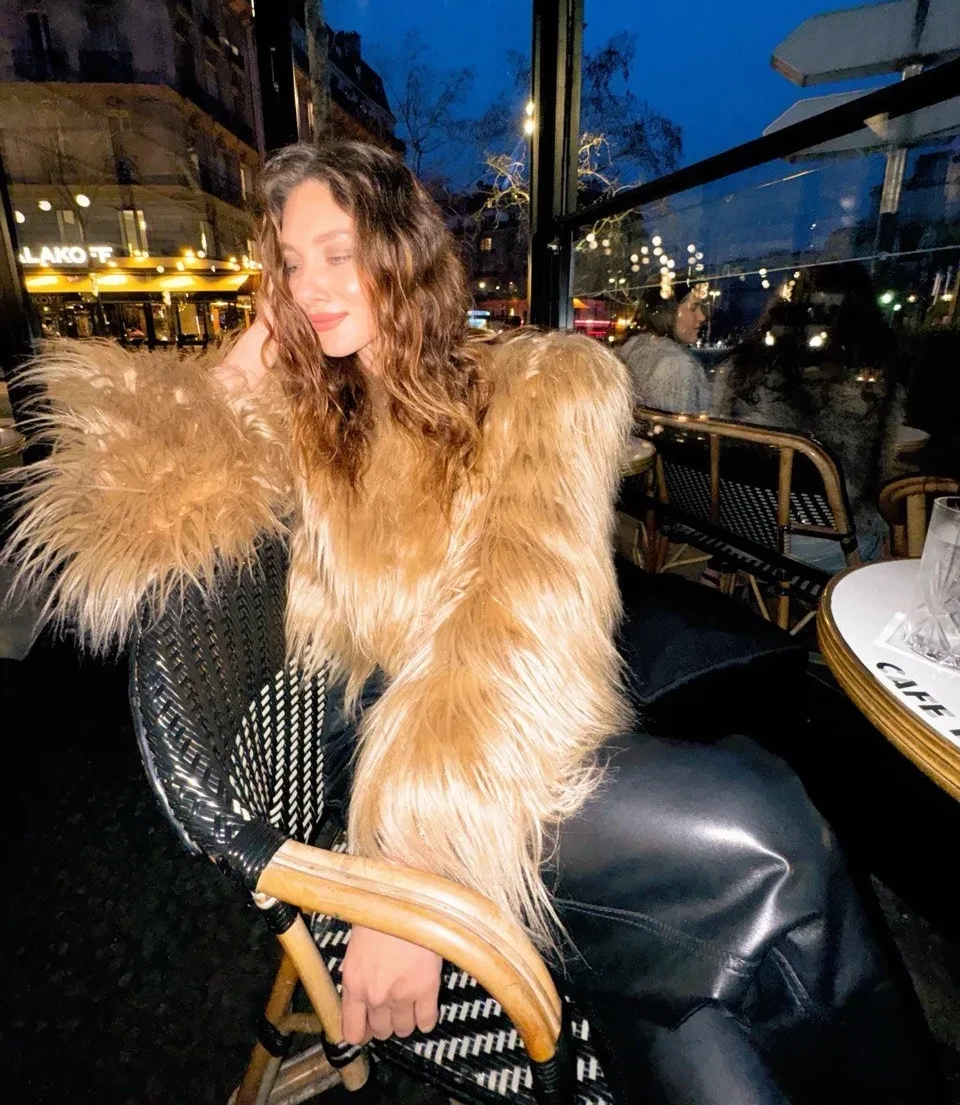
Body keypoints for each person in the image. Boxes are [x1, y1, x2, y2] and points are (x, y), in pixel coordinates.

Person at [5, 143, 936, 1104]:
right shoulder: (308, 418)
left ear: (403, 253)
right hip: (378, 763)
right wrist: (233, 379)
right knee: (770, 836)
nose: (310, 286)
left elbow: (519, 626)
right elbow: (128, 536)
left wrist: (416, 863)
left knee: (712, 964)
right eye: (290, 262)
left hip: (497, 738)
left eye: (339, 253)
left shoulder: (540, 387)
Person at [713, 263, 905, 568]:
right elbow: (873, 482)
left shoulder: (738, 372)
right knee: (889, 536)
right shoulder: (870, 390)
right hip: (815, 545)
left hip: (736, 526)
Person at [618, 284, 711, 413]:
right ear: (669, 312)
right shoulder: (676, 364)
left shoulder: (631, 350)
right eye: (694, 307)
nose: (702, 317)